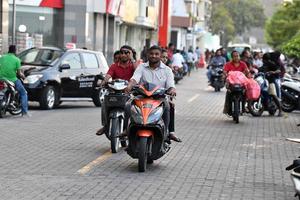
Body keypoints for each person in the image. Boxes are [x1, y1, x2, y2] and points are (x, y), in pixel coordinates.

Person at [125, 45, 182, 142]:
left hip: (159, 98)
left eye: (156, 54)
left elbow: (171, 85)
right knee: (128, 104)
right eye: (151, 54)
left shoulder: (167, 70)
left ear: (160, 56)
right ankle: (126, 130)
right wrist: (130, 85)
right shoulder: (141, 67)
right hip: (142, 96)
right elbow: (135, 78)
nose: (154, 56)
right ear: (147, 55)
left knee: (169, 106)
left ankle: (168, 133)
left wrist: (172, 90)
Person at [96, 45, 136, 136]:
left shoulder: (133, 65)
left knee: (132, 107)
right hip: (115, 92)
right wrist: (103, 82)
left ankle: (131, 127)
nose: (123, 55)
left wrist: (132, 59)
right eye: (122, 52)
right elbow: (108, 75)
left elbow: (138, 73)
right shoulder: (114, 66)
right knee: (104, 103)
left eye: (127, 53)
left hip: (130, 93)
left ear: (131, 54)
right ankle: (106, 126)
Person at [0, 45, 29, 116]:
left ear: (8, 50)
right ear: (15, 51)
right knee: (23, 93)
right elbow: (19, 73)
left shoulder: (2, 57)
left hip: (1, 78)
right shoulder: (17, 60)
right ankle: (24, 112)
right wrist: (23, 76)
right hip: (12, 79)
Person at [223, 50, 249, 115]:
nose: (236, 57)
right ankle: (228, 109)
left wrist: (247, 72)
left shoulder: (243, 64)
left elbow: (247, 71)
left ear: (239, 56)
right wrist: (225, 74)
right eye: (234, 56)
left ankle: (244, 107)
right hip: (231, 84)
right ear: (232, 57)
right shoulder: (228, 64)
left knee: (245, 93)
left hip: (241, 83)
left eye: (237, 56)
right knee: (228, 93)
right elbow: (225, 71)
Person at [260, 52, 283, 116]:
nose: (262, 60)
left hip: (270, 81)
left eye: (263, 59)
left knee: (273, 94)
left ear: (266, 59)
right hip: (263, 81)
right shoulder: (264, 64)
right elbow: (260, 69)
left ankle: (280, 110)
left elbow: (279, 70)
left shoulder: (271, 64)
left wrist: (273, 72)